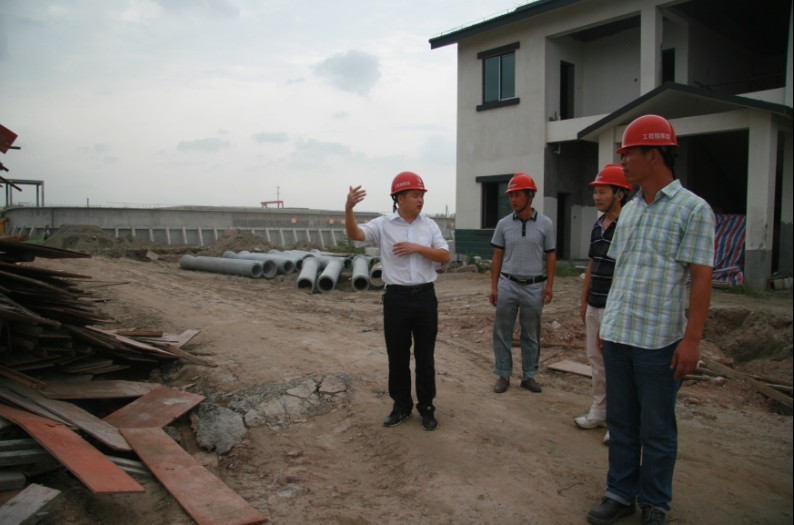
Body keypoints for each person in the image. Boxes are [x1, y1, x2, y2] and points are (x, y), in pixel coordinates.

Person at [586, 115, 715, 525]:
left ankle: (655, 503)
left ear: (654, 154)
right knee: (622, 422)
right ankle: (620, 493)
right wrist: (608, 326)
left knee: (657, 429)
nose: (622, 162)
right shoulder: (630, 211)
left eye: (628, 154)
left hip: (659, 342)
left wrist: (692, 340)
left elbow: (701, 278)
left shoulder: (693, 210)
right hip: (620, 334)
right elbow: (621, 272)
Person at [345, 171, 450, 431]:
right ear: (399, 198)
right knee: (398, 357)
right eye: (415, 195)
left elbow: (444, 256)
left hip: (425, 298)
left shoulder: (429, 225)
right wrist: (349, 209)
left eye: (422, 195)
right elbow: (356, 235)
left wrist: (418, 248)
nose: (420, 200)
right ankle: (401, 406)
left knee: (425, 357)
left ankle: (426, 407)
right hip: (396, 300)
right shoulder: (383, 225)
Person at [577, 164, 632, 444]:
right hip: (595, 304)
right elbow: (592, 264)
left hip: (616, 307)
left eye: (602, 192)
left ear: (619, 194)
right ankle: (599, 410)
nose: (596, 197)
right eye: (595, 192)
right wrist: (584, 300)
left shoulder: (629, 227)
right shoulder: (598, 226)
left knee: (617, 365)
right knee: (596, 361)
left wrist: (616, 308)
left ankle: (619, 421)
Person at [489, 173, 556, 394]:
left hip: (534, 286)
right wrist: (494, 286)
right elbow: (497, 256)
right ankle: (503, 373)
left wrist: (549, 285)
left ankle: (529, 376)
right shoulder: (503, 224)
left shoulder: (545, 224)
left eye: (517, 195)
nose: (513, 200)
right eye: (511, 196)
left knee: (531, 333)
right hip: (507, 284)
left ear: (530, 195)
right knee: (502, 331)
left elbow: (551, 255)